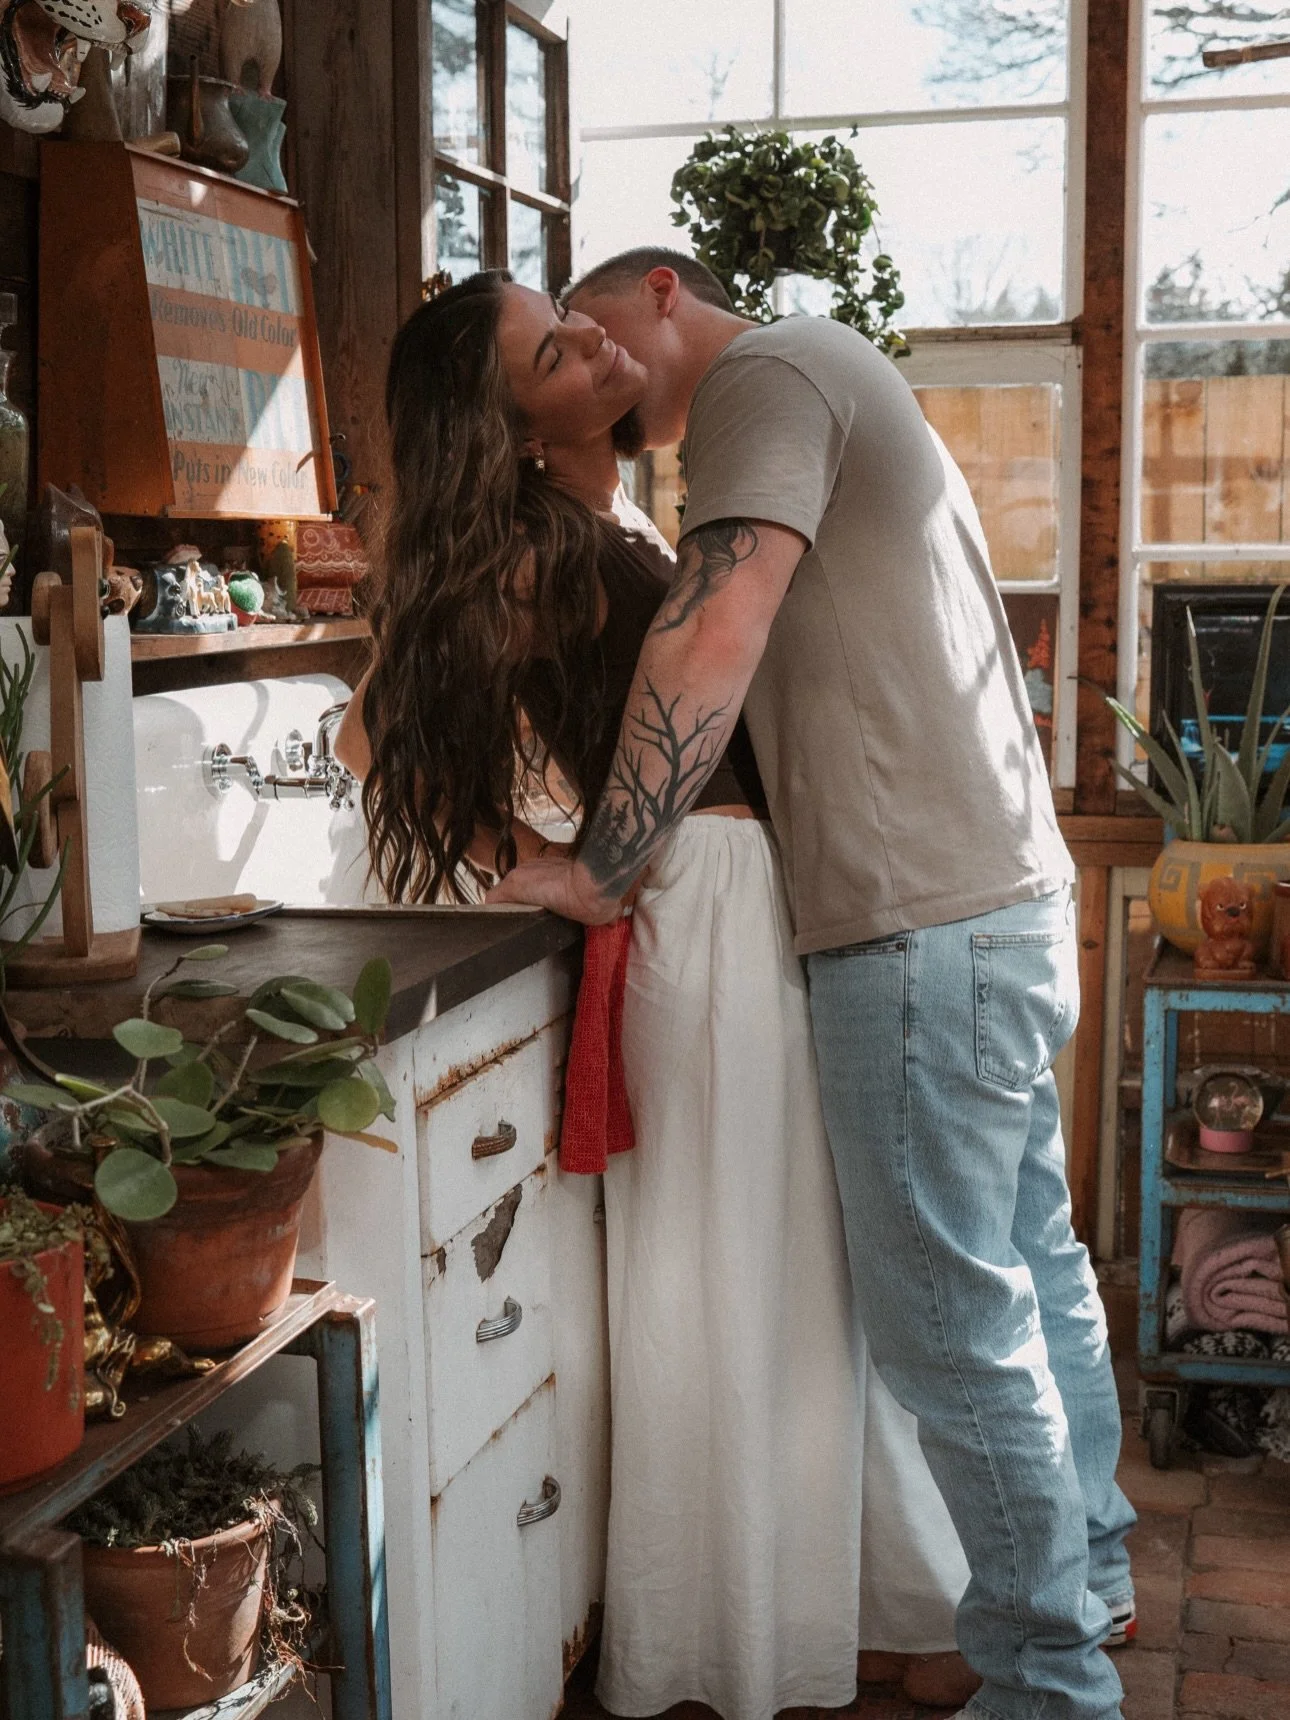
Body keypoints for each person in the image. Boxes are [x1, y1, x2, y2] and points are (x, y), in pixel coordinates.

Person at [489, 248, 1138, 1720]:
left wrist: (600, 865)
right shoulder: (823, 371)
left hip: (913, 921)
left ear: (665, 291)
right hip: (996, 900)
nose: (597, 375)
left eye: (595, 331)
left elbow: (718, 624)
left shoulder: (763, 375)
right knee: (1030, 1279)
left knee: (949, 1327)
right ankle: (1087, 1587)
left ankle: (1048, 1686)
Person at [335, 269, 975, 1720]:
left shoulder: (610, 520)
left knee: (787, 1273)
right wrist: (549, 865)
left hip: (741, 909)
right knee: (744, 1272)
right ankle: (760, 1634)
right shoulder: (529, 547)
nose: (596, 340)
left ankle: (845, 1605)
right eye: (555, 350)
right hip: (707, 913)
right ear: (507, 429)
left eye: (576, 321)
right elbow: (376, 742)